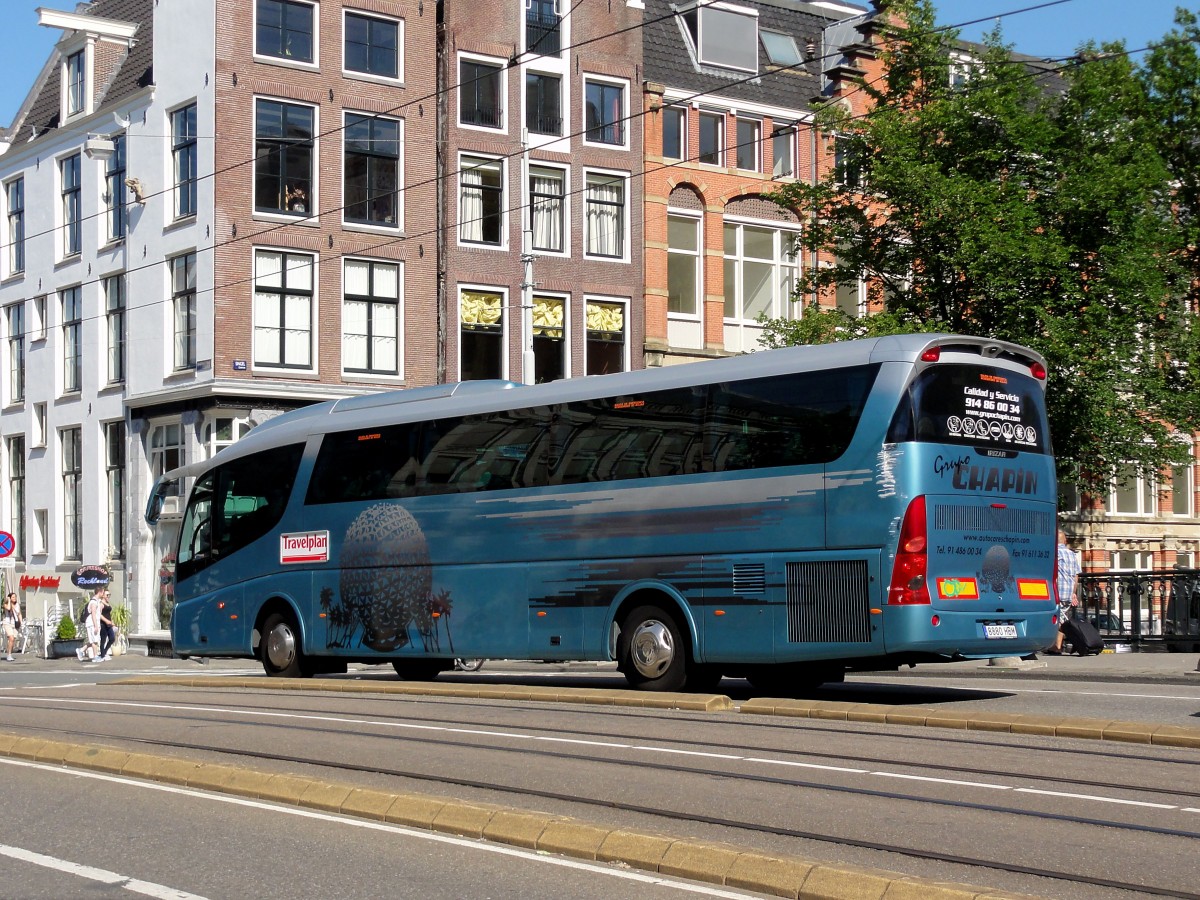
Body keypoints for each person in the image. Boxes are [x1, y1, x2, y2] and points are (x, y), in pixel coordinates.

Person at [1047, 528, 1082, 655]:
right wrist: (1073, 592)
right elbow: (1076, 576)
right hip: (1068, 592)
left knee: (1059, 620)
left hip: (1057, 592)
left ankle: (1079, 639)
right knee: (1062, 619)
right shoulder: (1072, 554)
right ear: (1065, 540)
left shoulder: (1055, 554)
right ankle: (1057, 646)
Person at [76, 587, 103, 662]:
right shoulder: (93, 602)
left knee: (94, 640)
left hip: (94, 623)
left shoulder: (97, 601)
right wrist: (95, 625)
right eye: (102, 591)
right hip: (91, 623)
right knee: (94, 641)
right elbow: (93, 614)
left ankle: (81, 650)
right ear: (99, 592)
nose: (103, 593)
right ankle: (95, 656)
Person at [97, 590, 117, 662]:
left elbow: (109, 614)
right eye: (107, 595)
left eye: (109, 595)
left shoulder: (107, 603)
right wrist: (106, 621)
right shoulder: (101, 604)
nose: (108, 597)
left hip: (109, 624)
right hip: (103, 624)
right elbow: (99, 614)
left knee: (112, 638)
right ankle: (102, 655)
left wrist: (112, 621)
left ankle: (104, 652)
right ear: (103, 596)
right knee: (103, 640)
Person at [2, 591, 22, 661]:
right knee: (11, 638)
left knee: (13, 640)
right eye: (13, 597)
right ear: (10, 598)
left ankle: (9, 653)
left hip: (15, 624)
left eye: (15, 597)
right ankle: (9, 655)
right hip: (7, 623)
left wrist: (20, 622)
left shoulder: (17, 605)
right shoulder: (6, 604)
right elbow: (8, 608)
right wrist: (9, 601)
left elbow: (19, 614)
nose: (15, 598)